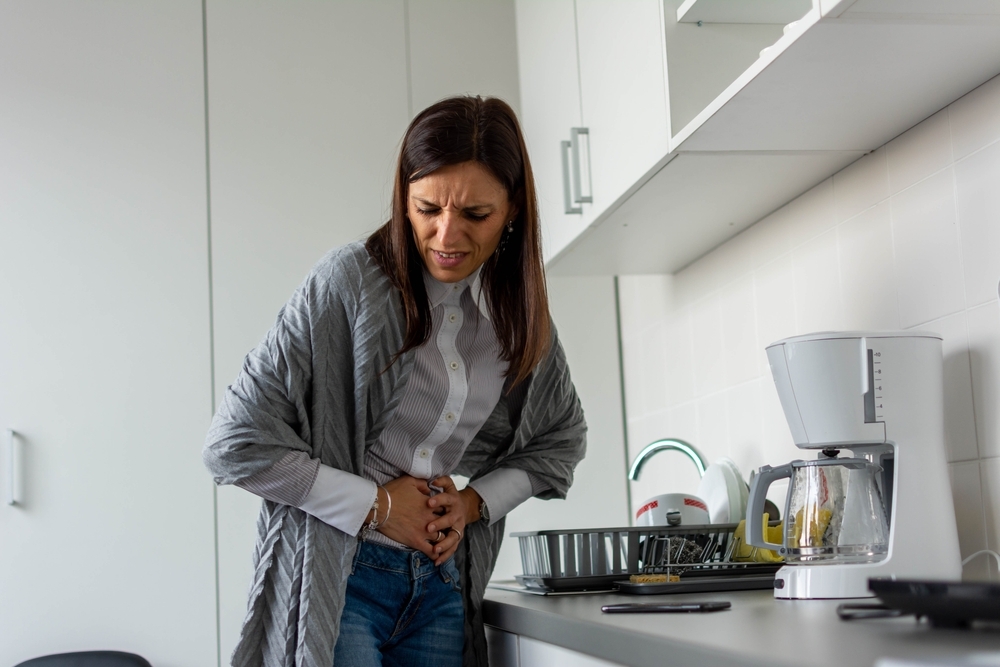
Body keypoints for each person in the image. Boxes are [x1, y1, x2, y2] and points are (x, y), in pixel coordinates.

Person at [203, 95, 587, 667]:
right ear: (402, 199)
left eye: (475, 215)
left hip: (441, 587)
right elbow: (234, 446)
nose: (446, 234)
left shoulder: (520, 317)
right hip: (343, 580)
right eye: (427, 207)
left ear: (513, 211)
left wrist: (474, 503)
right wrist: (377, 505)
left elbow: (560, 438)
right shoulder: (347, 283)